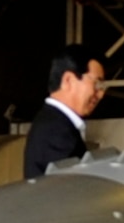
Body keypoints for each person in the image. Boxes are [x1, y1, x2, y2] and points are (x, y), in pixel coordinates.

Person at [22, 45, 104, 179]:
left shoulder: (54, 123)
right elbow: (73, 187)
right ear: (68, 80)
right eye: (96, 84)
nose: (100, 94)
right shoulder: (56, 131)